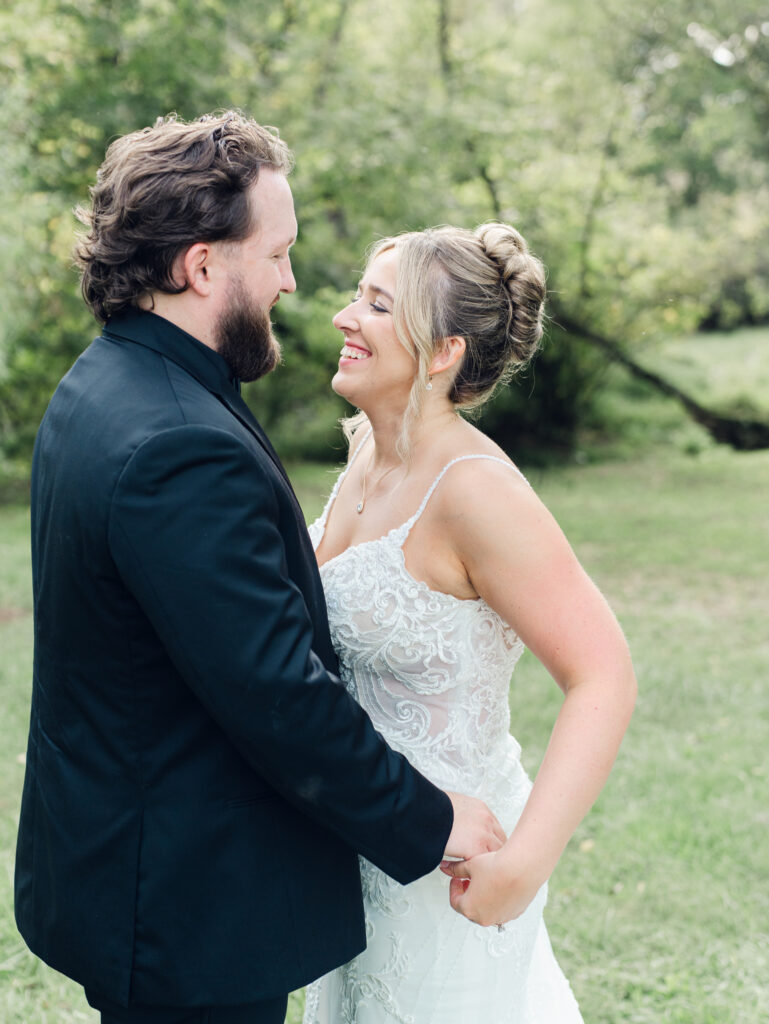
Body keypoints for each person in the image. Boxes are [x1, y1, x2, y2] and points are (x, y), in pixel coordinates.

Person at [13, 112, 506, 1024]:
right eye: (275, 254)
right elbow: (276, 695)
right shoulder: (178, 445)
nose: (290, 281)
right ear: (202, 266)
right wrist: (428, 818)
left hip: (125, 867)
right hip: (186, 906)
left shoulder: (102, 383)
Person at [302, 223, 638, 1023]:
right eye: (358, 295)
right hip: (361, 848)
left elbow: (604, 675)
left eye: (377, 305)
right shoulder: (366, 455)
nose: (345, 318)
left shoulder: (474, 490)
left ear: (442, 351)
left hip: (455, 865)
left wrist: (525, 862)